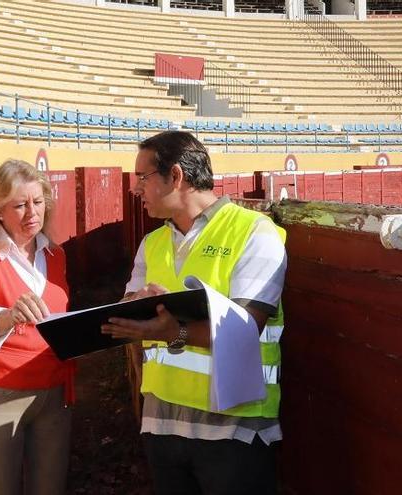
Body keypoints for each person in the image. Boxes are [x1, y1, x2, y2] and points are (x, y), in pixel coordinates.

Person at [101, 131, 287, 495]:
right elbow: (127, 311)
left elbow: (247, 328)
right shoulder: (152, 243)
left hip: (235, 427)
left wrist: (173, 332)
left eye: (143, 177)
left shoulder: (254, 233)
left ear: (176, 176)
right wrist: (133, 308)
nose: (135, 189)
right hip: (162, 422)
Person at [0, 159, 74, 495]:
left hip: (54, 393)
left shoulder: (56, 255)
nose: (32, 214)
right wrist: (9, 315)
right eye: (20, 205)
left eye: (38, 202)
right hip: (0, 391)